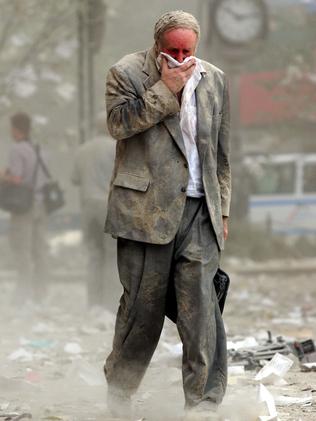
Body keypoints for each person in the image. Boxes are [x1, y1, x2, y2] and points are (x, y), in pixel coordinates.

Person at [104, 10, 231, 419]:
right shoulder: (126, 73)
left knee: (201, 310)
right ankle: (119, 393)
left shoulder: (214, 79)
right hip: (144, 213)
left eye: (187, 50)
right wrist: (165, 89)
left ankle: (204, 403)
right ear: (157, 45)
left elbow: (220, 157)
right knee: (142, 312)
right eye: (172, 50)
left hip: (199, 210)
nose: (181, 57)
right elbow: (118, 125)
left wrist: (222, 210)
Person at [0, 112, 49, 304]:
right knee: (40, 251)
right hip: (40, 204)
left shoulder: (17, 149)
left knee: (22, 250)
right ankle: (41, 293)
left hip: (24, 207)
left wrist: (3, 175)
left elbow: (18, 178)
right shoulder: (39, 149)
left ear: (15, 129)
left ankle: (23, 294)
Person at [72, 115, 115, 309]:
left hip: (88, 206)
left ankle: (93, 302)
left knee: (94, 254)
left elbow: (74, 179)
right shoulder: (115, 148)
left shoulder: (82, 150)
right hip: (108, 205)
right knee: (111, 254)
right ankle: (110, 302)